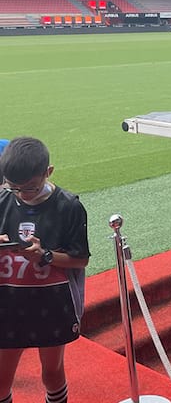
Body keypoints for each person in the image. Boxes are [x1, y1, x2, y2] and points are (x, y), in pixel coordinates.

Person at [0, 137, 90, 403]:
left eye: (29, 188)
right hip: (8, 301)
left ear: (48, 172)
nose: (21, 194)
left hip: (52, 302)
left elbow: (80, 259)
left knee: (52, 373)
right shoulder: (3, 198)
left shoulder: (68, 205)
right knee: (1, 378)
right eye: (12, 187)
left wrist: (45, 255)